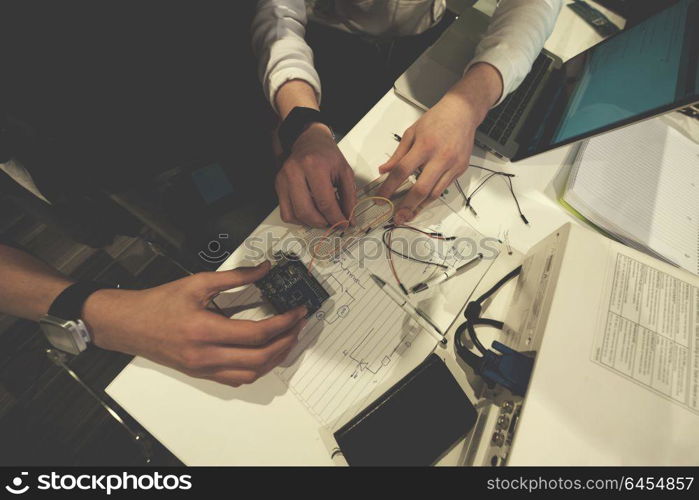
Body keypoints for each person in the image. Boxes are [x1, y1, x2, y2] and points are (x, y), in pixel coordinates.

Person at [0, 3, 305, 388]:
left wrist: (293, 114)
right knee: (217, 235)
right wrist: (100, 313)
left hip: (250, 107)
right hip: (139, 163)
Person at [252, 0, 562, 227]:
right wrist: (302, 122)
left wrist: (470, 103)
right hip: (330, 43)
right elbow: (277, 15)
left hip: (425, 37)